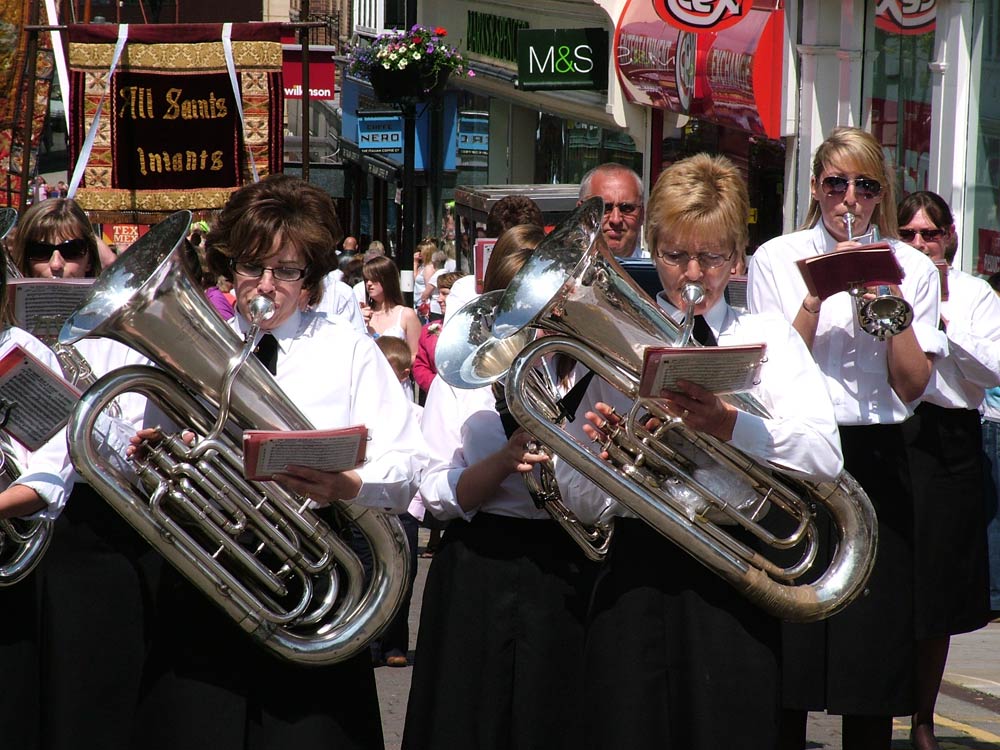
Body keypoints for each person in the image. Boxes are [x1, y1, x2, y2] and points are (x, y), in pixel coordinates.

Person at [554, 153, 843, 750]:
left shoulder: (770, 340)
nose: (692, 273)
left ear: (737, 258)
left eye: (710, 257)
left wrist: (730, 426)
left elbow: (824, 457)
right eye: (675, 255)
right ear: (652, 249)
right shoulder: (619, 339)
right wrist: (604, 466)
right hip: (636, 572)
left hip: (735, 571)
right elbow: (575, 497)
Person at [130, 173, 427, 750]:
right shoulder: (196, 340)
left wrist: (347, 482)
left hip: (308, 583)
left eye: (285, 270)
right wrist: (156, 455)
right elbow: (151, 447)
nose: (265, 284)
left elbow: (409, 460)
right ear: (228, 269)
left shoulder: (346, 350)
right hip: (205, 580)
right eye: (250, 265)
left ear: (308, 278)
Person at [747, 127, 947, 749]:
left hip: (878, 452)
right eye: (837, 183)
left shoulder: (911, 266)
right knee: (790, 636)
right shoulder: (776, 258)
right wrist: (816, 297)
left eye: (865, 187)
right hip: (797, 453)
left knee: (874, 646)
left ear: (879, 196)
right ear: (815, 188)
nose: (849, 200)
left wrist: (892, 311)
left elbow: (913, 386)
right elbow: (769, 378)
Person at [401, 223, 597, 750]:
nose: (541, 320)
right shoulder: (462, 372)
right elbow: (434, 493)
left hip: (570, 564)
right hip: (479, 567)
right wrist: (504, 461)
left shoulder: (595, 368)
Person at [2, 196, 149, 750]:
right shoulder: (8, 339)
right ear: (23, 261)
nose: (58, 265)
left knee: (90, 700)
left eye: (72, 249)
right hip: (19, 534)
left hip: (99, 531)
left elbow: (133, 437)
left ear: (91, 258)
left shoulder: (124, 341)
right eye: (42, 252)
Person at [897, 191, 998, 750]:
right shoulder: (885, 286)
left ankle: (924, 720)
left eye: (928, 235)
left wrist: (941, 316)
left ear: (949, 236)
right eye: (908, 234)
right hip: (898, 434)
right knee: (895, 583)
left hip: (952, 440)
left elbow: (991, 370)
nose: (919, 245)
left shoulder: (977, 294)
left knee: (937, 593)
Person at [371, 334, 421, 668]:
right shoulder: (367, 410)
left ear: (403, 374)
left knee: (403, 576)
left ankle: (394, 643)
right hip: (368, 507)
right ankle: (371, 642)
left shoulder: (415, 412)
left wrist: (415, 510)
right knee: (369, 573)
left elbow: (421, 462)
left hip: (403, 512)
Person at [578, 162, 647, 259]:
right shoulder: (554, 273)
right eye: (605, 208)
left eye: (626, 208)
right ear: (581, 212)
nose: (616, 220)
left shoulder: (660, 272)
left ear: (642, 214)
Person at [412, 271, 462, 403]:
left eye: (445, 294)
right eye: (439, 293)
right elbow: (420, 365)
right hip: (436, 398)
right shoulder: (428, 330)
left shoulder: (476, 329)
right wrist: (436, 385)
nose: (439, 299)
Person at [361, 255, 421, 358]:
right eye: (366, 280)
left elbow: (416, 355)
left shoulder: (406, 315)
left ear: (388, 279)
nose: (369, 284)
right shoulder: (362, 314)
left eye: (374, 279)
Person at [412, 238, 438, 322]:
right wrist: (415, 263)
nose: (418, 253)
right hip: (418, 303)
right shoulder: (423, 266)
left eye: (421, 251)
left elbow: (429, 287)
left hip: (424, 305)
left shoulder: (429, 268)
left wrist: (424, 299)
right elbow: (415, 279)